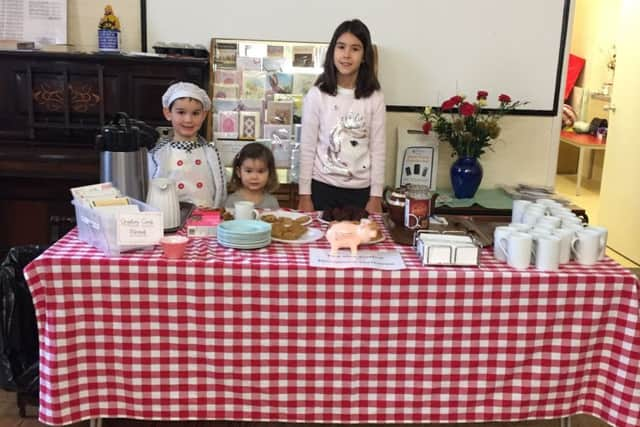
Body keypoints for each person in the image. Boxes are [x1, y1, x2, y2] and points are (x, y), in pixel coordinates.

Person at [297, 19, 386, 214]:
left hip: (361, 193)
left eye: (355, 49)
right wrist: (304, 195)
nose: (346, 55)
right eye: (341, 47)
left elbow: (378, 149)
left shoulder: (374, 97)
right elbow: (307, 147)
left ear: (364, 56)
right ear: (332, 52)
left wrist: (376, 196)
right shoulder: (317, 94)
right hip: (322, 188)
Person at [149, 81, 227, 208]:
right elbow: (152, 192)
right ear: (168, 113)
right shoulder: (157, 155)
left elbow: (220, 189)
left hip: (205, 219)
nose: (188, 120)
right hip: (171, 219)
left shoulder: (212, 153)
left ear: (204, 115)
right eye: (181, 112)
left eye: (195, 113)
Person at [225, 142, 280, 209]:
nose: (254, 177)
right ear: (239, 172)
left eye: (260, 171)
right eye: (249, 171)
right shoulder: (232, 201)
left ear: (270, 173)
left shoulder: (272, 202)